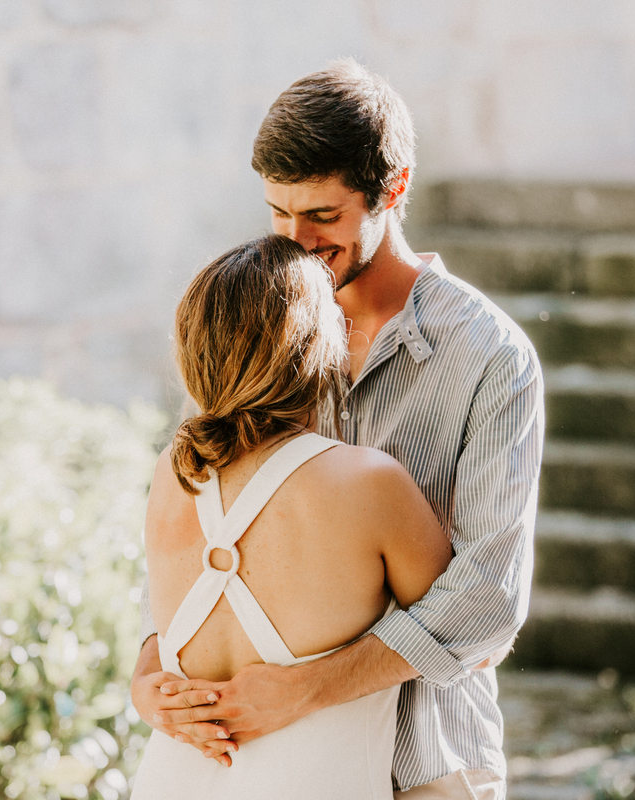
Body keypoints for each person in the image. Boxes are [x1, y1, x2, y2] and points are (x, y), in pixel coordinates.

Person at [131, 60, 544, 800]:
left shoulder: (491, 355)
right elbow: (198, 506)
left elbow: (487, 600)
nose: (296, 240)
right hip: (261, 766)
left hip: (429, 759)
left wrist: (304, 689)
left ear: (395, 189)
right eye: (279, 213)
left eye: (323, 216)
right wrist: (148, 673)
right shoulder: (257, 324)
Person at [130, 234, 453, 799]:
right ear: (317, 345)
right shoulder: (369, 484)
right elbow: (462, 633)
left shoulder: (173, 473)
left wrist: (144, 685)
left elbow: (159, 621)